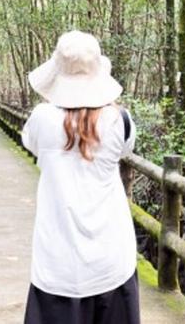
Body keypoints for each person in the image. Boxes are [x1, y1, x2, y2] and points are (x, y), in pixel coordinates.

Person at [21, 30, 140, 324]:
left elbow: (32, 145)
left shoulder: (41, 118)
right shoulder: (120, 121)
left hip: (57, 262)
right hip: (113, 260)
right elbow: (125, 151)